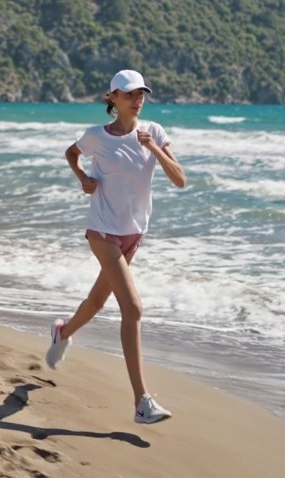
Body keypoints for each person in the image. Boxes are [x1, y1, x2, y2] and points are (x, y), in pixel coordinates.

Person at [46, 69, 186, 424]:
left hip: (133, 233)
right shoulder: (96, 137)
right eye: (129, 94)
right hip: (103, 231)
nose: (137, 99)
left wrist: (153, 147)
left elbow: (180, 180)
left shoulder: (153, 132)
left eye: (141, 93)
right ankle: (142, 402)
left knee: (96, 302)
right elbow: (70, 153)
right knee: (133, 309)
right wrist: (83, 179)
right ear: (112, 99)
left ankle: (63, 332)